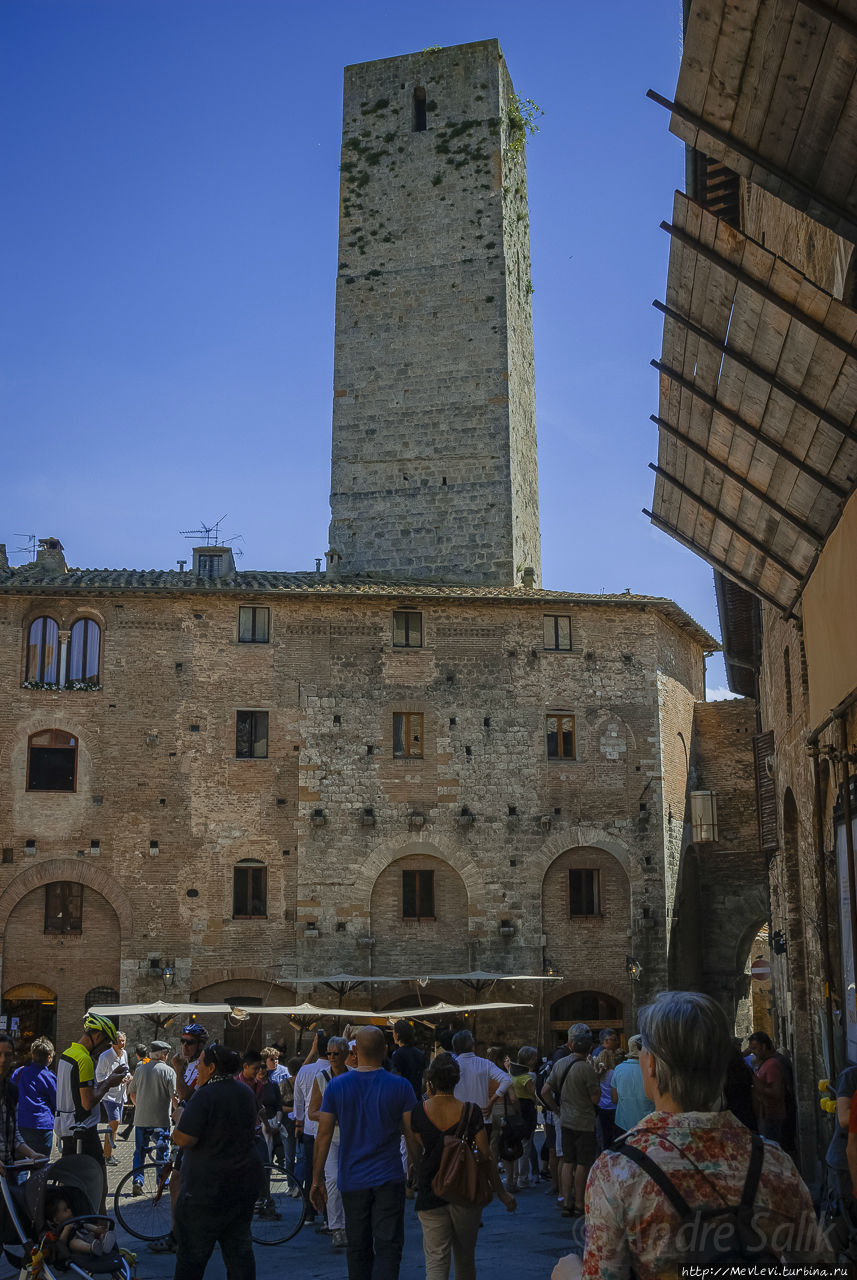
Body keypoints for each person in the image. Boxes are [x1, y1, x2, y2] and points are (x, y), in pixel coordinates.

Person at [580, 991, 826, 1278]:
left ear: (651, 1064)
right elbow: (817, 1267)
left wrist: (568, 1272)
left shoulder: (618, 1170)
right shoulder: (774, 1163)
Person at [311, 1025, 417, 1279]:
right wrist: (416, 1167)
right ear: (385, 1050)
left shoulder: (337, 1086)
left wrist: (317, 1180)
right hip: (389, 1176)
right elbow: (411, 1134)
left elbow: (324, 1135)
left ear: (354, 1051)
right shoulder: (401, 1086)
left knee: (358, 1246)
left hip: (353, 1178)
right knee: (389, 1244)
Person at [411, 1051, 515, 1280]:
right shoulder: (471, 1111)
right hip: (465, 1189)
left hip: (431, 1188)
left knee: (436, 1260)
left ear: (430, 1080)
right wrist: (501, 1192)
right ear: (456, 1079)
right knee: (465, 1257)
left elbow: (417, 1150)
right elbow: (486, 1155)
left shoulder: (419, 1111)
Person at [171, 1040, 264, 1280]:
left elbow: (183, 1139)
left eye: (201, 1063)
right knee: (240, 1254)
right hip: (242, 1184)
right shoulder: (244, 1092)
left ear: (211, 1068)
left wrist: (180, 1116)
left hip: (207, 1190)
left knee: (192, 1257)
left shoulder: (205, 1095)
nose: (198, 1068)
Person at [54, 1014, 128, 1211]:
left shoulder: (67, 1054)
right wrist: (110, 1082)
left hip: (66, 1129)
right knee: (99, 1187)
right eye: (105, 1042)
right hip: (83, 1132)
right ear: (97, 1035)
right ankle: (100, 1231)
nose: (105, 1048)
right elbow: (87, 1102)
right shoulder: (84, 1060)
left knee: (70, 1186)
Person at [541, 1023, 599, 1218]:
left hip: (565, 1119)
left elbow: (544, 1092)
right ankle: (579, 1203)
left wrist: (556, 1109)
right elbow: (595, 1099)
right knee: (582, 1163)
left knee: (567, 1161)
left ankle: (566, 1201)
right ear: (589, 1048)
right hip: (584, 1121)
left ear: (572, 1045)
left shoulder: (560, 1064)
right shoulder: (586, 1069)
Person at [308, 1035, 350, 1249]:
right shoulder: (322, 1077)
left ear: (346, 1055)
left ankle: (350, 1223)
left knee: (351, 1180)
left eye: (336, 1054)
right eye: (329, 1054)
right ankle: (337, 1227)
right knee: (333, 1180)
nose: (332, 1057)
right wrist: (331, 1117)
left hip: (352, 1138)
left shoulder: (354, 1076)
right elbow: (312, 1112)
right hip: (330, 1139)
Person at [128, 1040, 176, 1193]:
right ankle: (162, 1181)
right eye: (166, 1054)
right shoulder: (169, 1071)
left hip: (141, 1119)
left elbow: (132, 1093)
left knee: (139, 1152)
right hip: (161, 1120)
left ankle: (138, 1181)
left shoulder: (141, 1069)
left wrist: (139, 1106)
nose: (167, 1057)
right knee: (162, 1151)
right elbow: (174, 1098)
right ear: (163, 1054)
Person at [294, 1029, 329, 1220]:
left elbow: (298, 1101)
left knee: (310, 1170)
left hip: (309, 1127)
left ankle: (309, 1212)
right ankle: (329, 1215)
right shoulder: (335, 1071)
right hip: (329, 1128)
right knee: (328, 1171)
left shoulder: (305, 1071)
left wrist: (298, 1122)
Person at [0, 1033, 42, 1168]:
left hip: (6, 1171)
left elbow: (14, 1136)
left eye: (7, 1055)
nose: (3, 1060)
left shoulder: (11, 1091)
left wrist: (32, 1154)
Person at [11, 1036, 56, 1158]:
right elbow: (55, 1101)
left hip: (21, 1122)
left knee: (19, 1165)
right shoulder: (50, 1077)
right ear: (49, 1057)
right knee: (40, 1166)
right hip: (42, 1125)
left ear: (32, 1054)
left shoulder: (19, 1073)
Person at [451, 1030, 511, 1110]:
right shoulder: (485, 1064)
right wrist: (491, 1101)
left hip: (457, 1115)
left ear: (454, 1048)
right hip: (482, 1114)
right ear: (473, 1047)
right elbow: (507, 1080)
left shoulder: (451, 1065)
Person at [44, 1191, 113, 1260]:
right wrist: (66, 1230)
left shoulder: (74, 1220)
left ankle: (104, 1243)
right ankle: (91, 1248)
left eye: (68, 1208)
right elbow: (61, 1244)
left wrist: (96, 1229)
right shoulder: (58, 1228)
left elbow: (85, 1225)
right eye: (65, 1210)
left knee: (96, 1233)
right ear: (56, 1220)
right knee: (73, 1243)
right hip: (77, 1246)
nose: (69, 1210)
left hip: (88, 1237)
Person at [96, 1030, 130, 1165]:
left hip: (121, 1095)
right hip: (109, 1095)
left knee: (115, 1125)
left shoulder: (125, 1054)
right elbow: (99, 1077)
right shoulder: (105, 1057)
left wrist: (127, 1077)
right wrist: (113, 1080)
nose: (123, 1043)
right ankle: (106, 1155)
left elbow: (126, 1069)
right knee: (114, 1122)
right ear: (114, 1042)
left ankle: (109, 1154)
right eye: (120, 1040)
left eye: (124, 1040)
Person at [748, 1030, 787, 1144]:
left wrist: (757, 1087)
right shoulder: (765, 1063)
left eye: (754, 1048)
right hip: (767, 1116)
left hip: (772, 1117)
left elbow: (777, 1092)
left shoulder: (771, 1065)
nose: (752, 1052)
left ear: (764, 1046)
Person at [610, 1034, 653, 1136]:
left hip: (623, 1123)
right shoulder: (652, 1070)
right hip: (647, 1125)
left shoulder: (619, 1069)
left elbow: (614, 1098)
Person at [390, 1021, 425, 1098]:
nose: (393, 1035)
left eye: (393, 1032)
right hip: (417, 1095)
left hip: (403, 1096)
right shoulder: (419, 1053)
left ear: (397, 1035)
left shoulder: (397, 1054)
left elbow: (396, 1078)